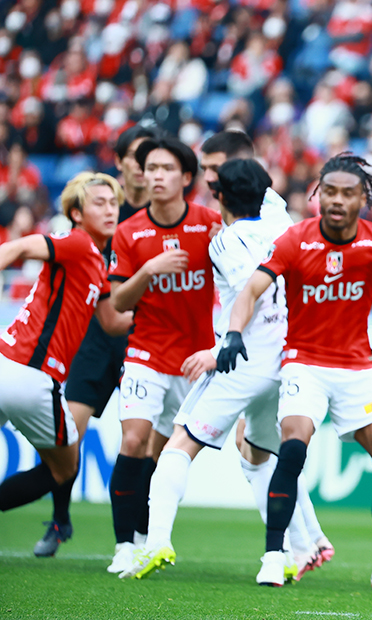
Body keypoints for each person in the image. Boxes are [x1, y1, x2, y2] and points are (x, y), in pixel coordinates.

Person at [220, 153, 372, 589]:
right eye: (329, 191)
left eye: (347, 193)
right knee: (293, 448)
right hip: (304, 362)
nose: (337, 200)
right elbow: (251, 289)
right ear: (318, 195)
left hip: (356, 367)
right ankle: (273, 556)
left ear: (363, 199)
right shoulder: (295, 240)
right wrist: (234, 333)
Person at [119, 158, 317, 580]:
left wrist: (221, 345)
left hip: (243, 358)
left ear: (221, 196)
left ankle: (155, 543)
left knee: (178, 445)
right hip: (287, 361)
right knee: (260, 455)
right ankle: (287, 552)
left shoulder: (226, 241)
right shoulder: (285, 229)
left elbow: (251, 289)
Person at [198, 130, 333, 574]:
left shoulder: (262, 215)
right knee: (263, 447)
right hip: (279, 341)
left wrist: (226, 340)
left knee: (261, 449)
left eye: (214, 168)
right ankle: (309, 540)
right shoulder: (266, 209)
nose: (209, 178)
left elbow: (255, 287)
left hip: (270, 344)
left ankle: (298, 545)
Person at [34, 126, 155, 558]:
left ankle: (140, 532)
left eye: (153, 160)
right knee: (68, 432)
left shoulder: (162, 212)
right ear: (120, 162)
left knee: (143, 438)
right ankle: (59, 519)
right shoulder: (99, 205)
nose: (145, 168)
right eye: (137, 157)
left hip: (140, 336)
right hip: (93, 338)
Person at [105, 135, 221, 575]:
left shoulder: (211, 225)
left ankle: (144, 538)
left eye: (166, 168)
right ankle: (123, 546)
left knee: (163, 454)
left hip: (195, 361)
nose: (155, 176)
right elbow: (118, 302)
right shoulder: (129, 231)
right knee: (133, 441)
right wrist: (148, 270)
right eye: (150, 168)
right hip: (146, 354)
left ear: (186, 177)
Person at [0, 173, 134, 516]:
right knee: (64, 469)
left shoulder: (98, 262)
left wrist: (156, 306)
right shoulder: (77, 242)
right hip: (31, 374)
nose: (110, 210)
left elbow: (112, 322)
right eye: (99, 203)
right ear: (76, 213)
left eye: (114, 203)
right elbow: (18, 248)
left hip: (8, 363)